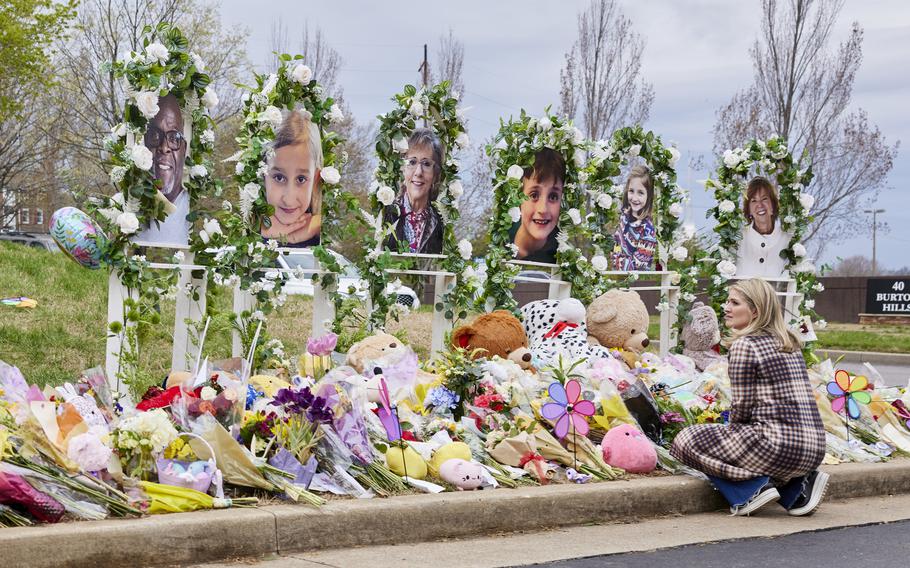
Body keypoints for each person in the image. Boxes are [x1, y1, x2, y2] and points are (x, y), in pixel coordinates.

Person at [670, 278, 829, 517]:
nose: (726, 307)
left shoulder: (745, 345)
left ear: (755, 310)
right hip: (814, 447)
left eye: (734, 303)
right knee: (733, 440)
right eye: (727, 301)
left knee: (685, 440)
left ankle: (750, 491)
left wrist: (727, 436)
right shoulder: (789, 342)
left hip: (776, 447)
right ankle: (796, 489)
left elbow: (742, 408)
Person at [261, 109, 323, 247]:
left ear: (316, 179)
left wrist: (316, 225)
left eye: (301, 179)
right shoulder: (244, 232)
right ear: (262, 173)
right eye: (279, 177)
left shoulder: (324, 236)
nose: (288, 200)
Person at [137, 94, 191, 245]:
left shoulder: (193, 208)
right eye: (155, 136)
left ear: (184, 149)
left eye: (174, 138)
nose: (164, 147)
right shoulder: (132, 205)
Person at [383, 128, 444, 254]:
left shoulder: (440, 222)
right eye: (412, 162)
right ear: (403, 168)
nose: (418, 172)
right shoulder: (386, 214)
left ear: (435, 174)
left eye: (426, 164)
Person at [508, 148, 565, 264]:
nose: (543, 209)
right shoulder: (501, 241)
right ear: (518, 198)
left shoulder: (563, 258)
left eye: (553, 197)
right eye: (534, 195)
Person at [734, 176, 792, 278]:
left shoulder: (787, 240)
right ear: (749, 210)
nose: (760, 205)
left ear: (773, 205)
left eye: (764, 199)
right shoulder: (738, 239)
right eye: (754, 201)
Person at [611, 165, 657, 271]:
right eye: (631, 191)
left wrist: (617, 258)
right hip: (618, 279)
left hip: (637, 284)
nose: (634, 198)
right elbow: (616, 245)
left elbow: (637, 268)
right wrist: (617, 255)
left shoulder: (647, 230)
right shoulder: (624, 218)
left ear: (648, 196)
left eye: (640, 193)